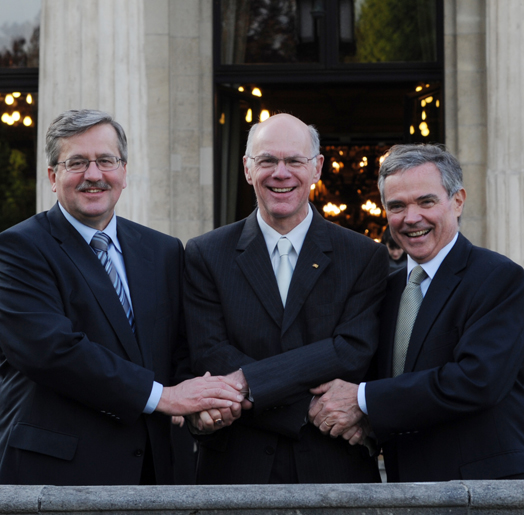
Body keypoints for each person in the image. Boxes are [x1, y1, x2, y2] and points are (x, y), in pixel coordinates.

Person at [0, 109, 244, 486]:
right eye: (77, 162)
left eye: (106, 161)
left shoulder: (163, 250)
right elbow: (51, 350)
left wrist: (202, 403)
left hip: (158, 469)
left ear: (124, 171)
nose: (94, 175)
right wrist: (162, 397)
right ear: (52, 176)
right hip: (58, 474)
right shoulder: (19, 248)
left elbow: (181, 348)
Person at [183, 113, 389, 484]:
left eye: (294, 161)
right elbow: (210, 352)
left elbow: (352, 351)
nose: (281, 173)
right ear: (247, 169)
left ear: (317, 168)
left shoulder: (362, 255)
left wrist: (250, 382)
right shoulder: (204, 254)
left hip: (335, 470)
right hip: (236, 471)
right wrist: (308, 408)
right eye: (267, 161)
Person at [308, 143, 524, 481]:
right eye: (397, 206)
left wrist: (363, 399)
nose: (411, 218)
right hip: (404, 484)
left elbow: (477, 380)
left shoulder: (499, 278)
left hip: (480, 490)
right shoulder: (388, 291)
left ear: (457, 201)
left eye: (426, 201)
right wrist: (362, 419)